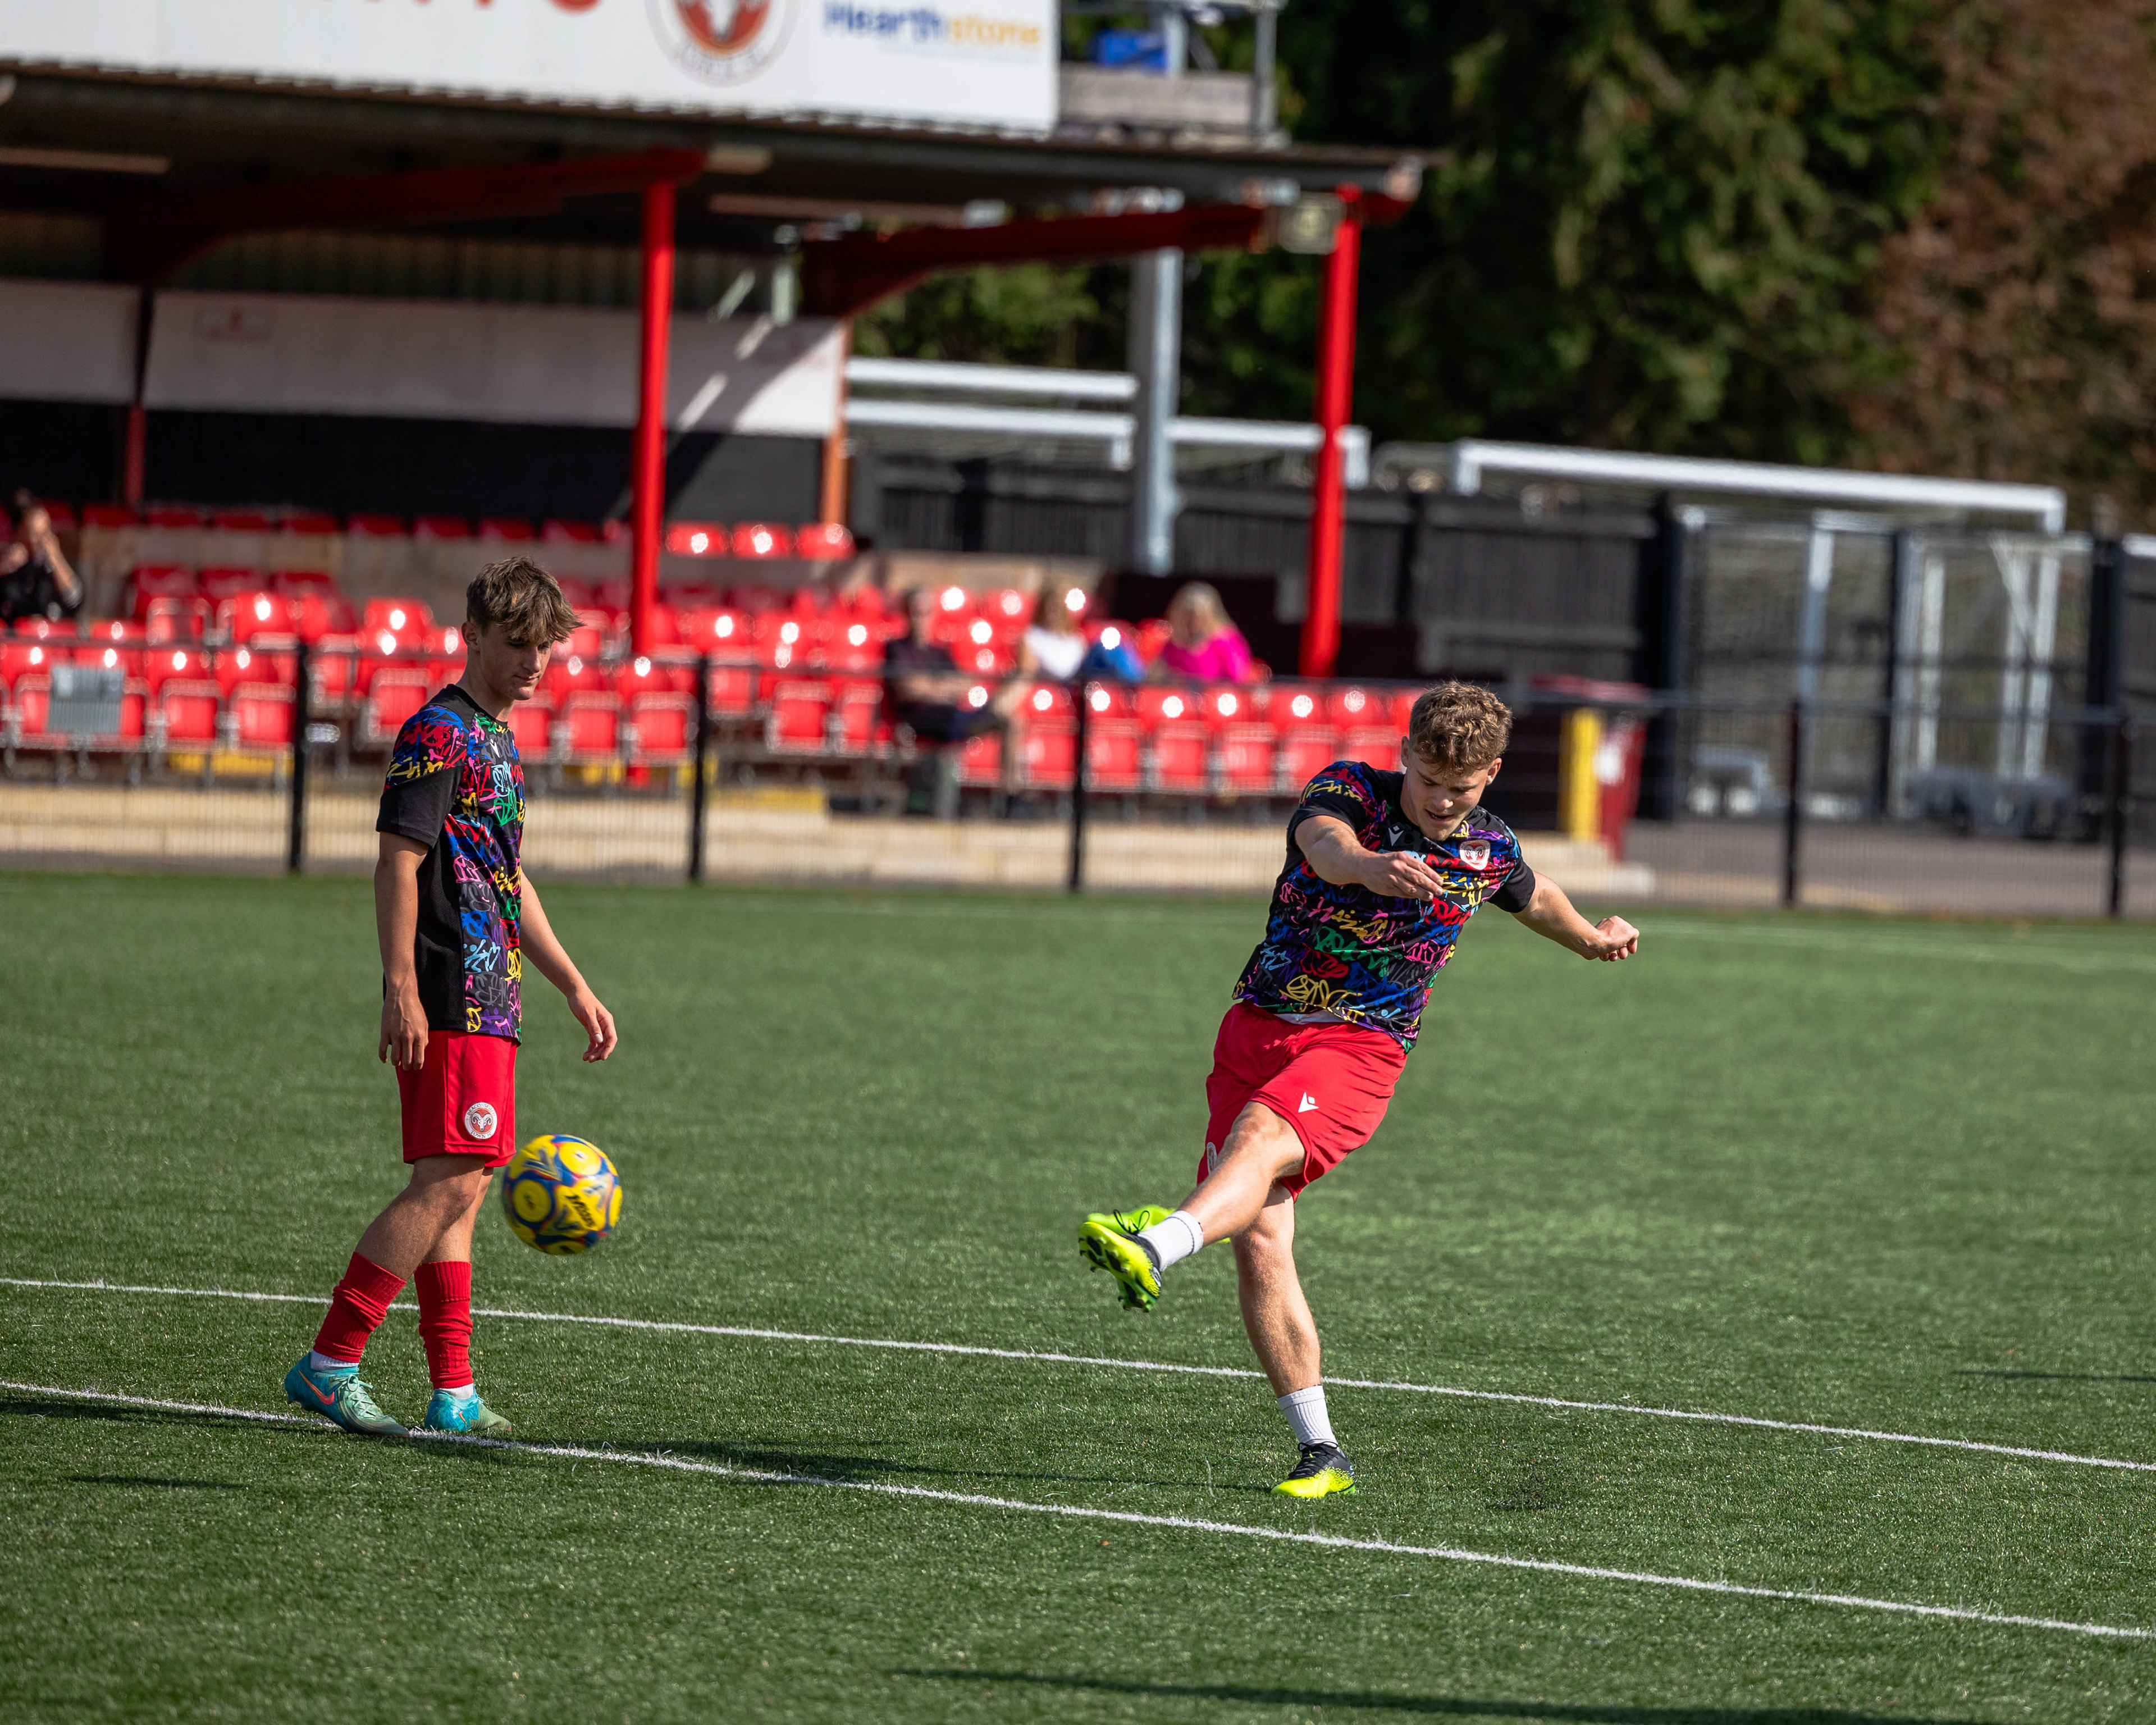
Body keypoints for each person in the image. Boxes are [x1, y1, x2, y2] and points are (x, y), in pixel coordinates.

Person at [1077, 682, 1639, 1499]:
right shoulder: (1349, 790)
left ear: (1491, 775)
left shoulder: (1488, 847)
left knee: (1260, 1140)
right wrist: (1374, 868)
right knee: (1261, 1240)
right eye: (1429, 780)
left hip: (1361, 1043)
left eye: (1462, 787)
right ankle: (1322, 1453)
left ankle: (1156, 1247)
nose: (1442, 800)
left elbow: (1532, 892)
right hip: (1256, 1026)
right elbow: (1327, 847)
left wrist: (1591, 939)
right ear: (1405, 753)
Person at [284, 555, 619, 1439]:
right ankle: (331, 1362)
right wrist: (400, 986)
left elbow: (507, 877)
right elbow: (397, 860)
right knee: (454, 1178)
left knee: (463, 1184)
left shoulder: (498, 739)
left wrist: (573, 983)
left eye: (544, 647)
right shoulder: (440, 733)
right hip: (449, 987)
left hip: (493, 991)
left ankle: (455, 1390)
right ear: (471, 636)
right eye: (516, 643)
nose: (534, 662)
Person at [0, 490, 85, 625]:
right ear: (19, 533)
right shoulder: (8, 570)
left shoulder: (54, 565)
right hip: (16, 635)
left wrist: (56, 558)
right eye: (36, 534)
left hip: (54, 633)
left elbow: (74, 600)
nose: (44, 541)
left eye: (47, 532)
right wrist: (3, 569)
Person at [1153, 581, 1254, 684]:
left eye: (1197, 617)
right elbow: (1156, 674)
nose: (1192, 623)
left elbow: (1239, 679)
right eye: (1187, 617)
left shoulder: (1225, 641)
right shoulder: (1172, 642)